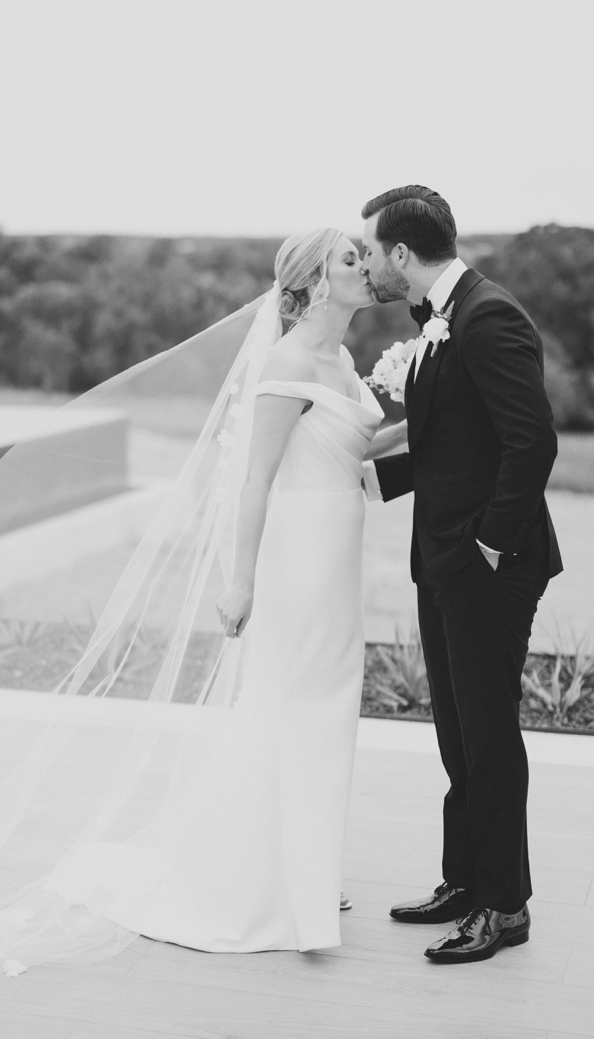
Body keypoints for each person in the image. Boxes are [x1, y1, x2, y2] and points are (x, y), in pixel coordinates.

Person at [0, 229, 396, 993]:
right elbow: (255, 479)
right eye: (349, 259)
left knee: (327, 715)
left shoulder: (344, 361)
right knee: (284, 710)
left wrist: (432, 420)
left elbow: (349, 450)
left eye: (365, 256)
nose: (366, 268)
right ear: (314, 280)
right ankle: (255, 881)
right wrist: (240, 581)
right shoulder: (290, 358)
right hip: (295, 558)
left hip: (339, 552)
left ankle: (303, 869)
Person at [359, 185, 561, 964]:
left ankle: (505, 907)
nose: (370, 263)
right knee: (457, 730)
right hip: (441, 556)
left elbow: (531, 443)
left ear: (401, 254)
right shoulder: (443, 319)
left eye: (371, 250)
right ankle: (466, 879)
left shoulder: (488, 314)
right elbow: (457, 441)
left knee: (489, 732)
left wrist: (489, 545)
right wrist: (377, 479)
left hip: (488, 566)